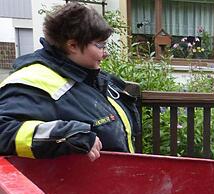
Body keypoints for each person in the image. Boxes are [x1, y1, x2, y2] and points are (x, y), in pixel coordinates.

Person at [0, 3, 138, 161]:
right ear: (72, 45)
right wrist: (64, 135)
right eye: (100, 45)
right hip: (66, 184)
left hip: (110, 180)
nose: (105, 53)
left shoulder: (88, 76)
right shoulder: (33, 80)